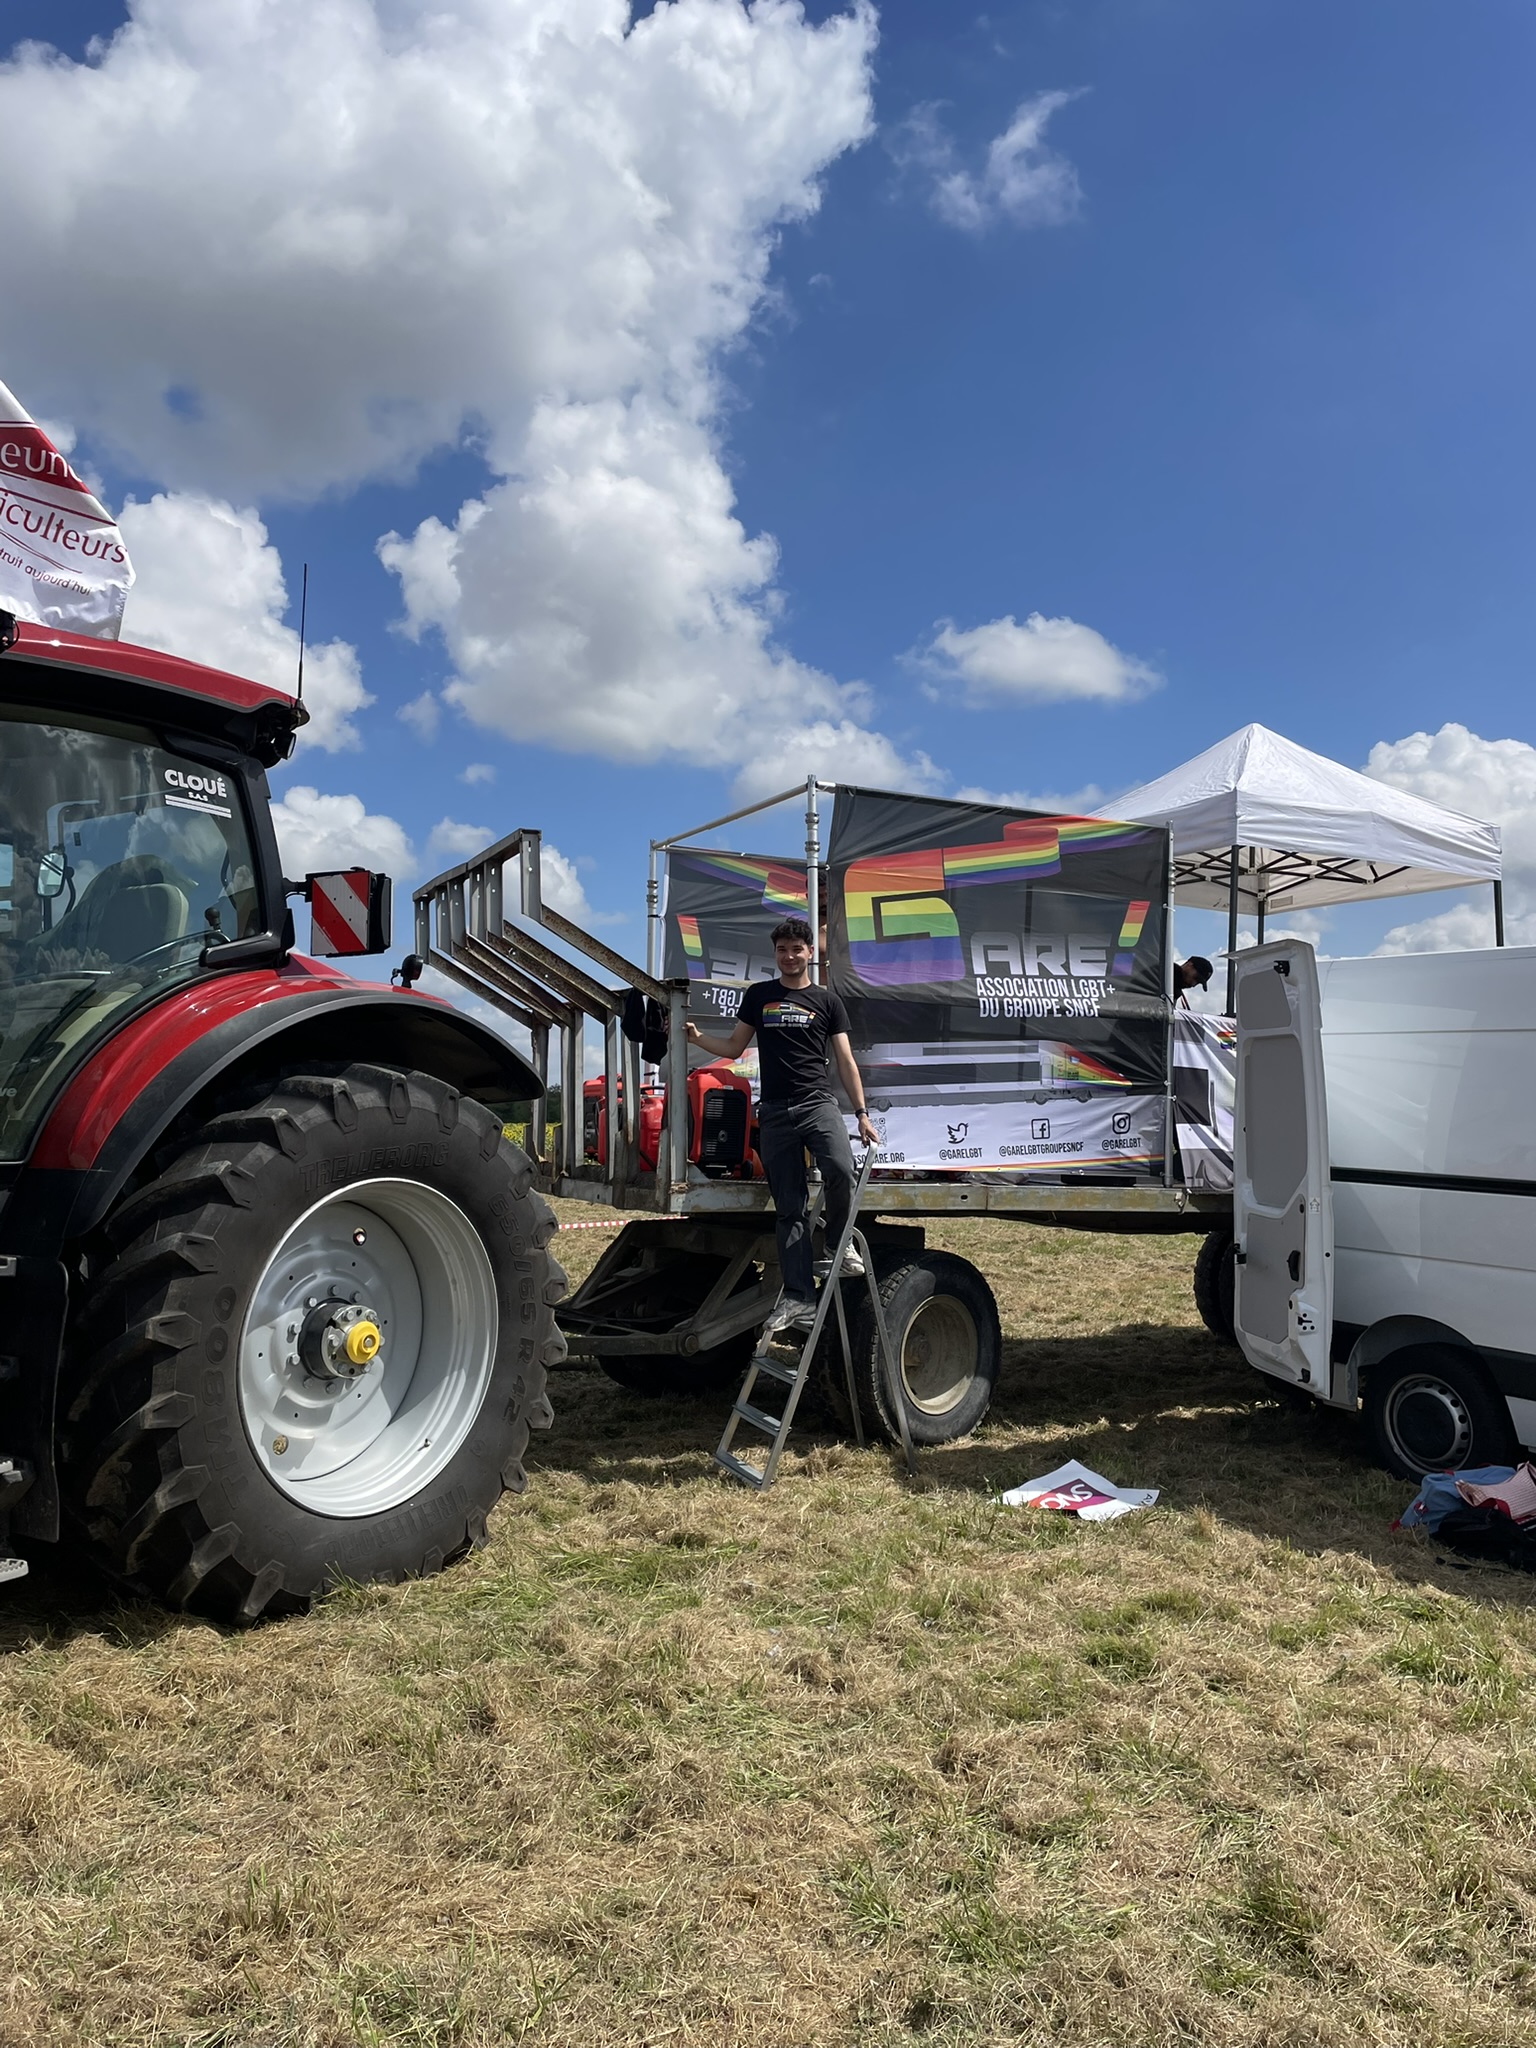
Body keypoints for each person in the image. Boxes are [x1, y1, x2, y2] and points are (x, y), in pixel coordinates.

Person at [686, 915, 879, 1332]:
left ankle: (837, 1246)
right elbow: (735, 1047)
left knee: (841, 1170)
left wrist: (862, 1113)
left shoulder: (828, 1002)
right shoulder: (760, 995)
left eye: (796, 949)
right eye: (781, 950)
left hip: (817, 1103)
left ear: (810, 953)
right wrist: (698, 1037)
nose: (789, 956)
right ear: (775, 954)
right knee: (788, 1208)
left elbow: (845, 1061)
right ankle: (797, 1299)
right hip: (774, 1111)